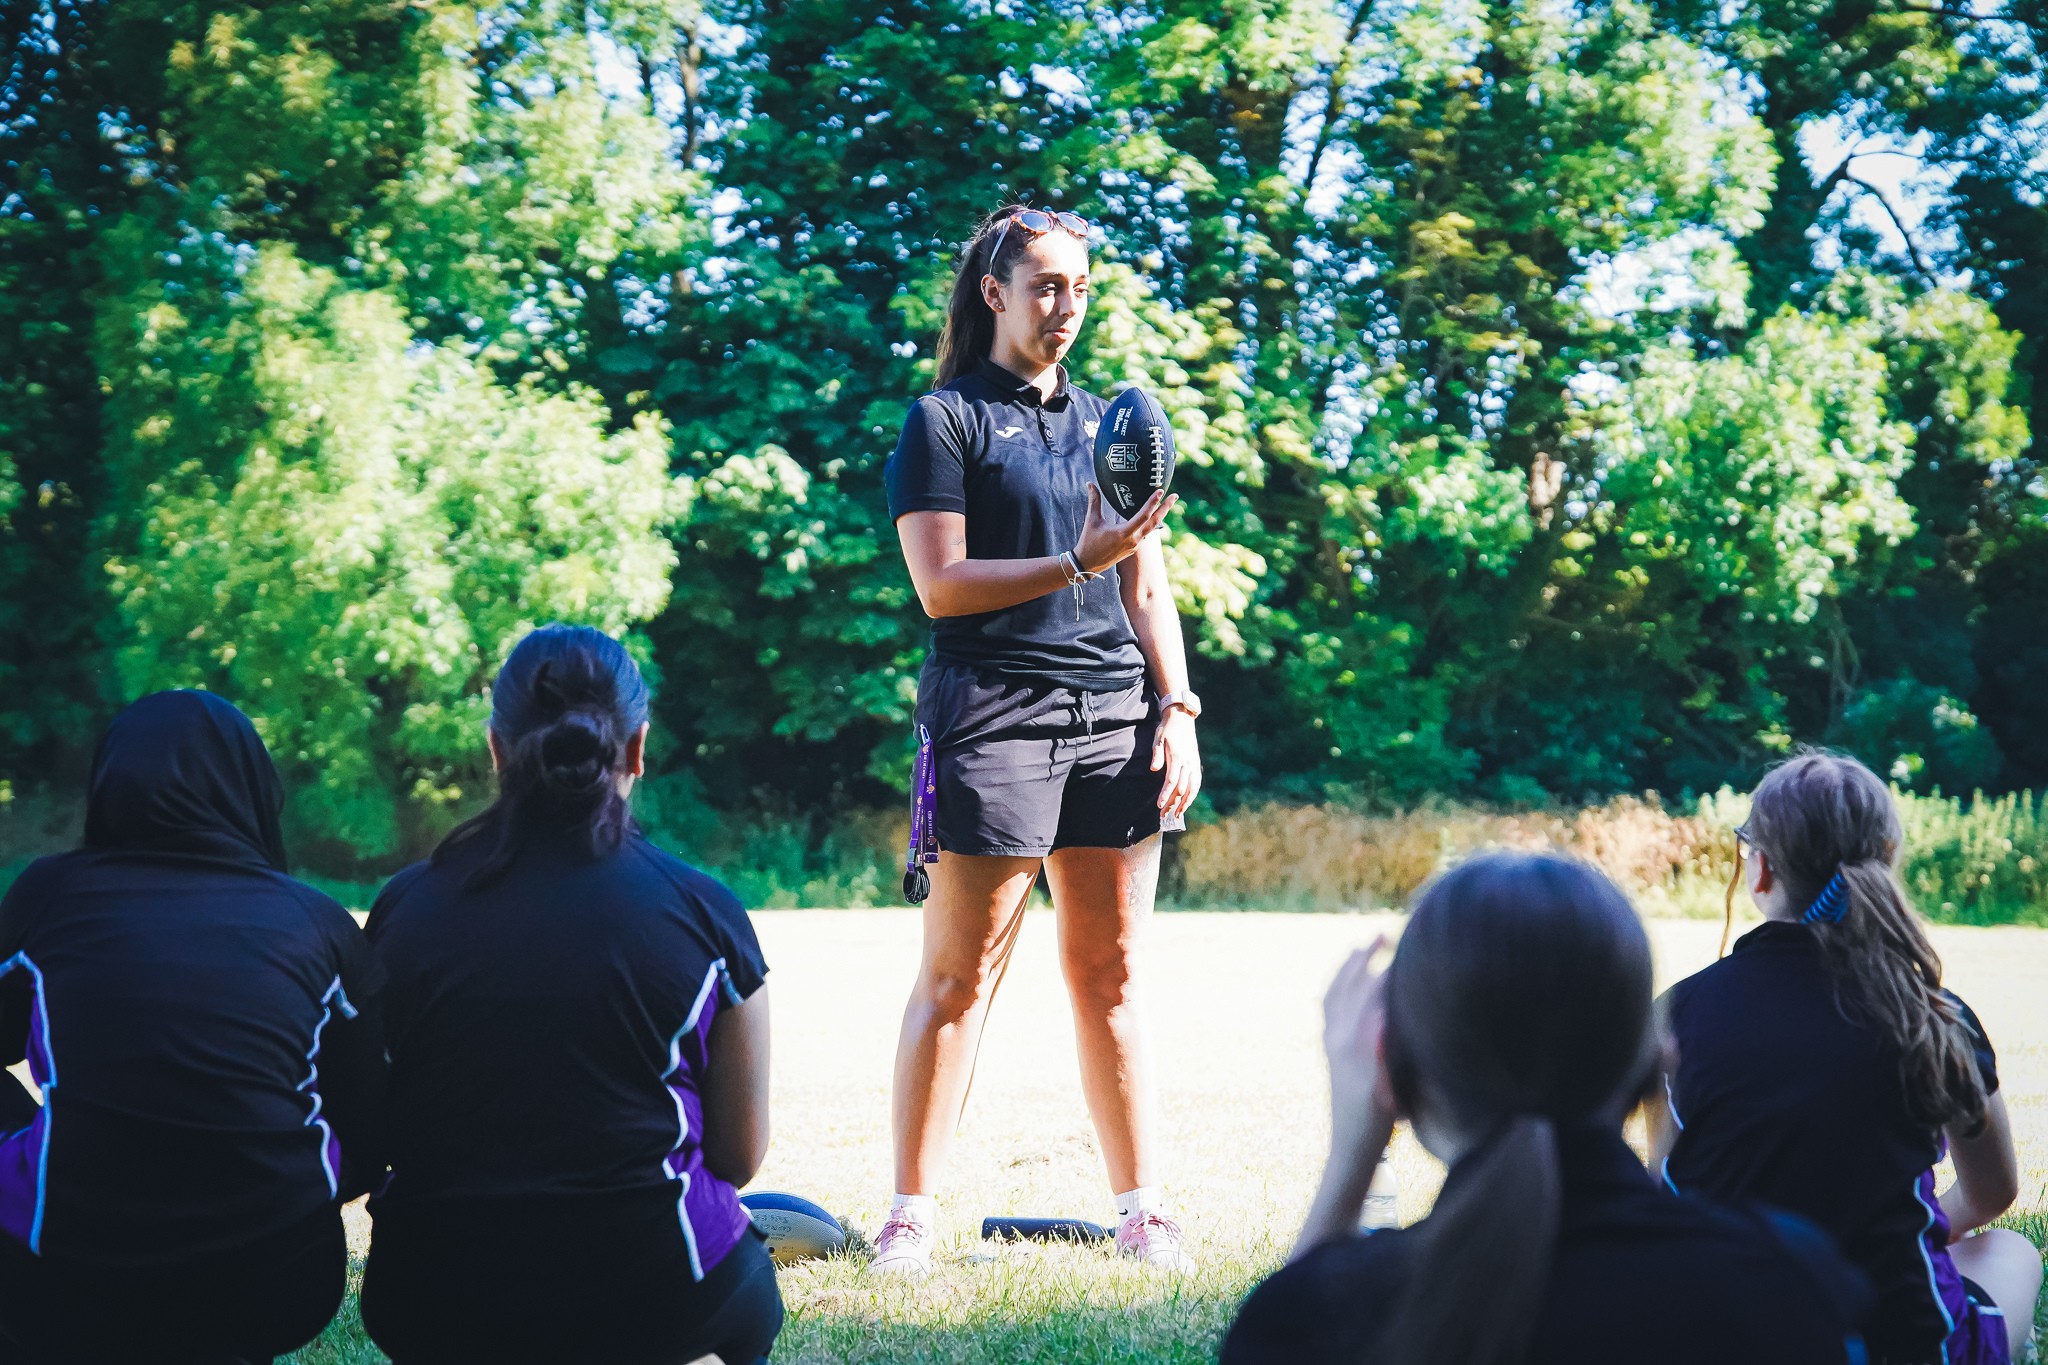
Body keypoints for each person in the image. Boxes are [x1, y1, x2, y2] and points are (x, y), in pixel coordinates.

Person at [877, 204, 1200, 1274]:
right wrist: (1074, 560)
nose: (1063, 308)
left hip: (1114, 718)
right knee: (960, 978)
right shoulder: (945, 420)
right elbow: (940, 587)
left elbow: (1146, 581)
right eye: (1044, 286)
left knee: (1109, 973)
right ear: (995, 294)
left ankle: (1143, 1210)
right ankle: (910, 1214)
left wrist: (1180, 708)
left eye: (1078, 288)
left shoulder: (1114, 421)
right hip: (992, 716)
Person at [1223, 852, 1872, 1365]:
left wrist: (1351, 1156)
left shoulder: (1319, 1317)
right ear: (1657, 1058)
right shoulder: (1787, 1283)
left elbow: (1291, 1322)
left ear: (1391, 1066)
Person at [361, 624, 781, 1365]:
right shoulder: (703, 910)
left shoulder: (401, 909)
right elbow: (739, 1156)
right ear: (638, 749)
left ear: (495, 748)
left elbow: (374, 1129)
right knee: (743, 1293)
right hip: (660, 1291)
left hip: (434, 1300)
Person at [0, 690, 384, 1363]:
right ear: (257, 792)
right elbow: (373, 1121)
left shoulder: (49, 893)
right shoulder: (319, 922)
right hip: (278, 1283)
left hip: (66, 1277)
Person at [1651, 752, 2043, 1365]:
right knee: (2013, 1253)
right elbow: (1992, 1192)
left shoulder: (1675, 1013)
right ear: (1887, 859)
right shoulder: (1937, 1016)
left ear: (1758, 871)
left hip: (1725, 1337)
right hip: (1905, 1344)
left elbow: (1665, 1194)